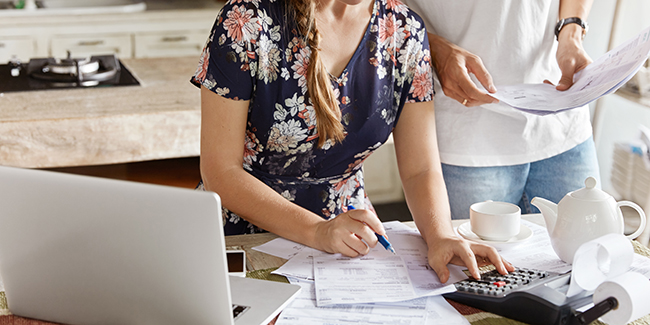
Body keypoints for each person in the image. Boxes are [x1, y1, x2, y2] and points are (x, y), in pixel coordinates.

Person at [191, 0, 514, 282]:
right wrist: (317, 231)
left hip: (351, 236)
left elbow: (421, 168)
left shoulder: (405, 30)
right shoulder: (246, 21)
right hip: (243, 229)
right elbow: (221, 172)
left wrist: (440, 235)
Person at [402, 0, 601, 219]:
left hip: (563, 122)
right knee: (477, 253)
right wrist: (434, 48)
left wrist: (571, 29)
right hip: (466, 138)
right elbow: (373, 9)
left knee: (589, 249)